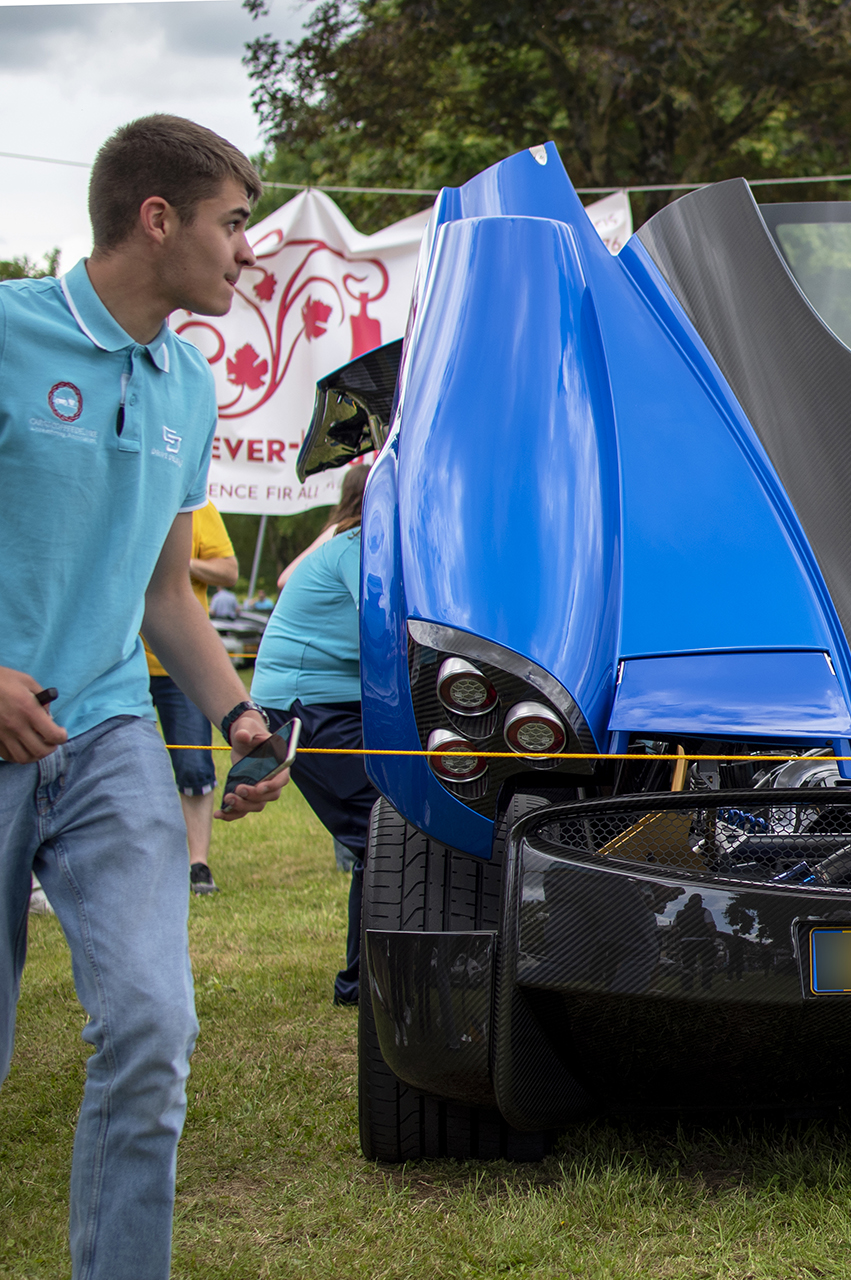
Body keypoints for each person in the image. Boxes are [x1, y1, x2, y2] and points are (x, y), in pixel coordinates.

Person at [1, 114, 286, 1280]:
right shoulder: (8, 335)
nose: (247, 252)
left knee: (155, 1028)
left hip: (111, 727)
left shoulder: (191, 384)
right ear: (156, 219)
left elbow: (168, 593)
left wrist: (240, 716)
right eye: (234, 223)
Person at [251, 465, 371, 1006]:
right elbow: (386, 623)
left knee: (393, 830)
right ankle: (362, 986)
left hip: (336, 701)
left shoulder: (358, 540)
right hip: (306, 702)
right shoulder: (359, 547)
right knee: (389, 830)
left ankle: (365, 981)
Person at [142, 499, 237, 894]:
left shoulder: (197, 507)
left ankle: (197, 864)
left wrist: (179, 566)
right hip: (114, 663)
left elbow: (228, 571)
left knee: (195, 766)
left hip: (176, 666)